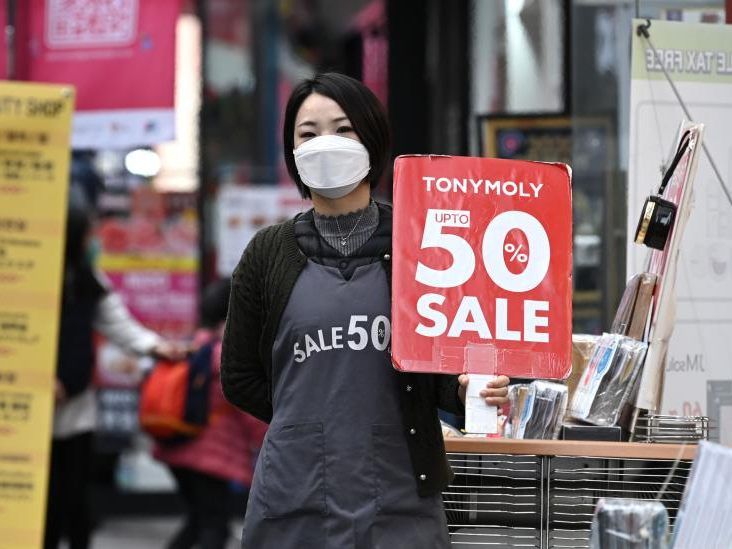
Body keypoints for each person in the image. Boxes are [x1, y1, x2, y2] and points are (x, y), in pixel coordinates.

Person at [220, 72, 510, 549]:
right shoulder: (267, 252)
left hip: (401, 492)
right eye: (307, 134)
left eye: (343, 129)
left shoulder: (427, 243)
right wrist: (308, 426)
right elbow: (239, 378)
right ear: (292, 152)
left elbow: (447, 364)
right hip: (294, 492)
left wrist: (470, 388)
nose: (325, 145)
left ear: (371, 139)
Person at [45, 185, 184, 549]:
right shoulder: (25, 279)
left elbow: (119, 325)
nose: (94, 236)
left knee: (74, 504)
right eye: (87, 229)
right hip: (26, 414)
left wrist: (156, 347)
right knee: (39, 508)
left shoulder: (90, 281)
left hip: (76, 414)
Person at [153, 279, 267, 549]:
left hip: (179, 449)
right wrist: (270, 440)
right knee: (214, 527)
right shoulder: (224, 354)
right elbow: (249, 407)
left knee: (198, 521)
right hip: (209, 457)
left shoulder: (193, 345)